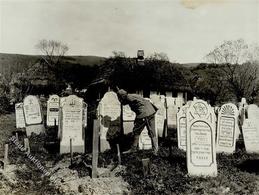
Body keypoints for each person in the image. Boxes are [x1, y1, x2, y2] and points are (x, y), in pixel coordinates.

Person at [116, 88, 158, 155]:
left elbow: (125, 103)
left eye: (120, 98)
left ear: (123, 96)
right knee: (152, 131)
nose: (120, 100)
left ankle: (133, 149)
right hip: (151, 111)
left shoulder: (129, 98)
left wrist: (121, 99)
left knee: (136, 131)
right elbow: (139, 106)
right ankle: (155, 150)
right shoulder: (132, 95)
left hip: (145, 113)